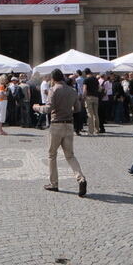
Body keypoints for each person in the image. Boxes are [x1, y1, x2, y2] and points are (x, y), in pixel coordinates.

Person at [32, 68, 87, 197]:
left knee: (52, 155)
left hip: (56, 125)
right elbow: (78, 108)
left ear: (53, 78)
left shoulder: (53, 89)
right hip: (69, 125)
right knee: (70, 155)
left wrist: (36, 107)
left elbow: (48, 108)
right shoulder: (72, 90)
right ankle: (81, 178)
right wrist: (67, 110)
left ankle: (54, 183)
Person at [82, 69, 100, 136]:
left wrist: (83, 97)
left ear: (86, 73)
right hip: (96, 97)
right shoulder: (95, 79)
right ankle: (97, 130)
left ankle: (90, 131)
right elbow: (98, 88)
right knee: (96, 114)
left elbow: (84, 89)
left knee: (90, 114)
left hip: (89, 97)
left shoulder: (86, 80)